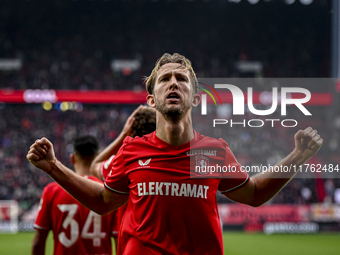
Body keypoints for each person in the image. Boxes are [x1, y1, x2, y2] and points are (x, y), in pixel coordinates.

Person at [27, 53, 323, 255]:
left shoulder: (212, 152)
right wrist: (53, 167)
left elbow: (255, 194)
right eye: (165, 78)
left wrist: (298, 155)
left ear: (194, 97)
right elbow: (104, 201)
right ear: (152, 99)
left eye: (181, 79)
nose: (173, 82)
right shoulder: (132, 150)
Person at [31, 135, 117, 255]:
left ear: (72, 158)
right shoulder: (111, 192)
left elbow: (38, 243)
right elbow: (120, 243)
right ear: (99, 158)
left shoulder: (52, 191)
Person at [89, 105, 156, 250]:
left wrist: (123, 134)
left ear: (131, 130)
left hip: (131, 246)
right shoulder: (169, 157)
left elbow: (95, 165)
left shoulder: (125, 159)